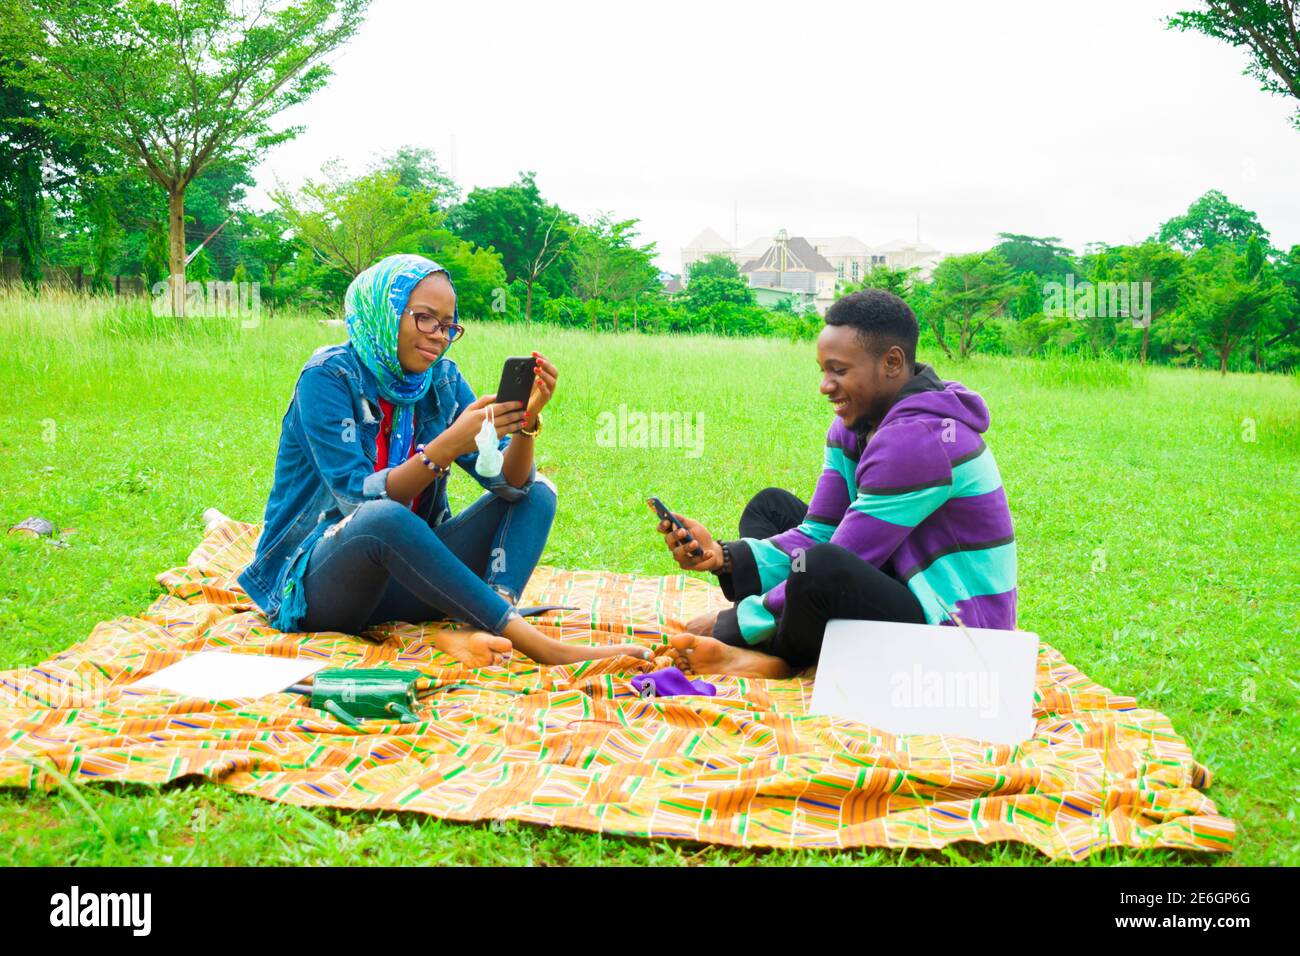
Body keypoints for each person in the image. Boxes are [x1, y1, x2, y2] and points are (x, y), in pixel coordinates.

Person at [238, 253, 648, 667]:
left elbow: (510, 484)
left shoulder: (443, 381)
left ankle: (489, 621)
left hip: (409, 580)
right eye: (424, 318)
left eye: (448, 325)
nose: (439, 335)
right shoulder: (328, 377)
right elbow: (355, 500)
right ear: (386, 310)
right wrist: (445, 447)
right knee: (382, 517)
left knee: (536, 492)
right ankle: (536, 644)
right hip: (323, 588)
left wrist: (524, 426)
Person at [657, 289, 1017, 678]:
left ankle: (774, 656)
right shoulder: (853, 426)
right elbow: (821, 531)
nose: (825, 386)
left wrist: (734, 623)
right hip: (899, 576)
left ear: (892, 362)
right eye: (823, 371)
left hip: (956, 631)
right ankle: (786, 636)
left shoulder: (920, 440)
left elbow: (845, 556)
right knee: (771, 508)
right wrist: (723, 556)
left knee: (822, 566)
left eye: (839, 371)